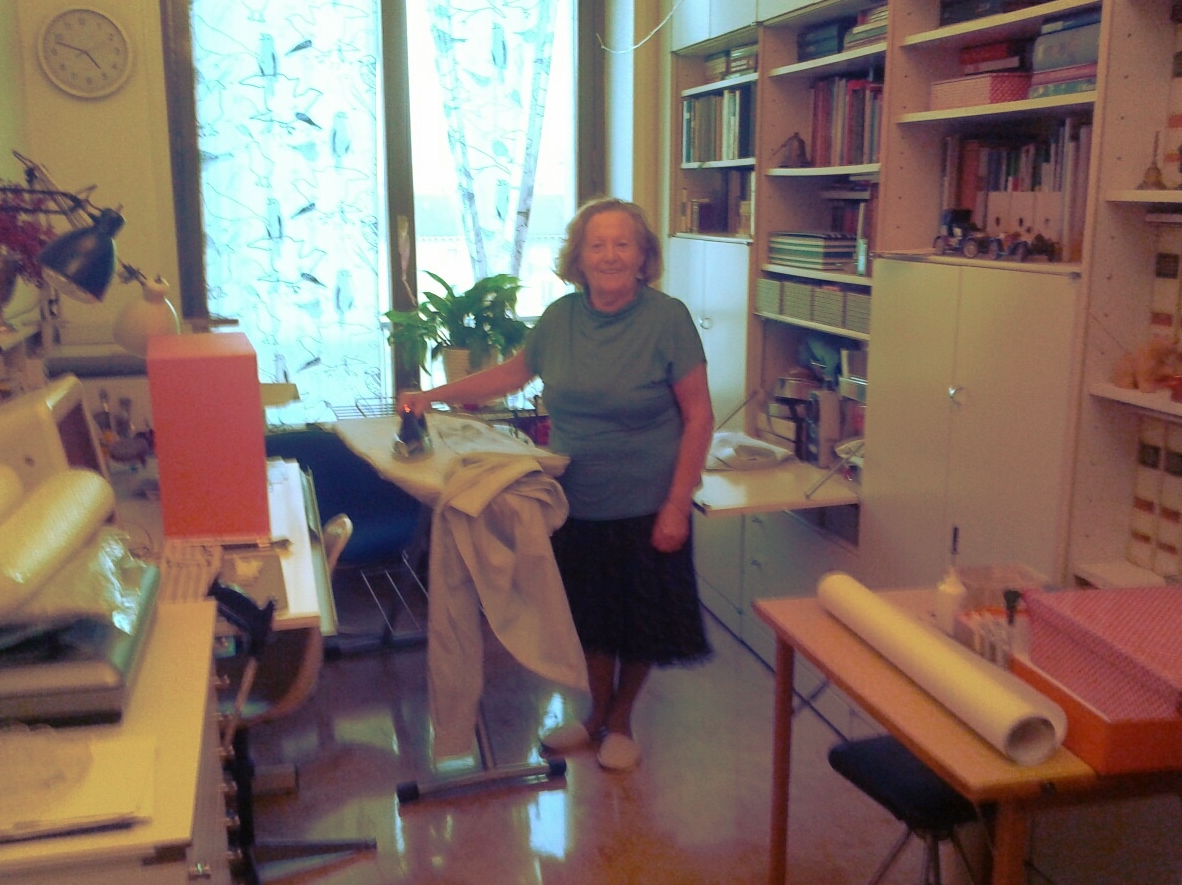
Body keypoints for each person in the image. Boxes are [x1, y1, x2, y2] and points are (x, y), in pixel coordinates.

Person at [399, 196, 715, 771]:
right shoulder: (561, 318)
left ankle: (621, 719)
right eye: (597, 244)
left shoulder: (667, 319)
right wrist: (431, 396)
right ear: (578, 257)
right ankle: (595, 713)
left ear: (644, 257)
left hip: (649, 501)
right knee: (589, 617)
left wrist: (677, 505)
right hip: (574, 499)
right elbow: (511, 373)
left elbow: (698, 416)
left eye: (624, 244)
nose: (610, 255)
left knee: (640, 621)